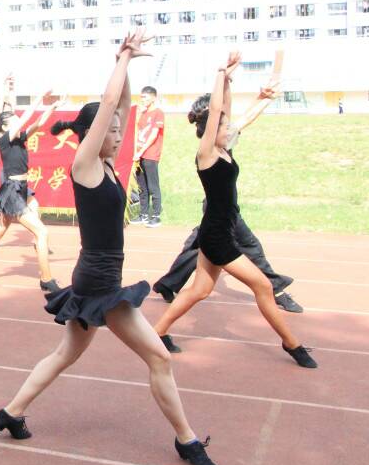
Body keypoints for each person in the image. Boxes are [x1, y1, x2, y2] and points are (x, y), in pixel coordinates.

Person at [0, 30, 219, 465]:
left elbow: (122, 105)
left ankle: (11, 412)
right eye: (110, 130)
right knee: (159, 357)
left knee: (65, 354)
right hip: (99, 282)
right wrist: (123, 59)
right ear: (93, 135)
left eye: (118, 130)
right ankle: (187, 440)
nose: (118, 134)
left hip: (94, 277)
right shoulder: (85, 164)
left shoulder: (110, 165)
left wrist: (126, 67)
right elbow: (111, 101)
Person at [151, 53, 315, 369]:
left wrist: (230, 81)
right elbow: (217, 110)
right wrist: (219, 72)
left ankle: (158, 332)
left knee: (200, 290)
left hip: (220, 228)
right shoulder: (207, 153)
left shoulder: (225, 149)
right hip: (216, 235)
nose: (230, 127)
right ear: (212, 129)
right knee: (263, 286)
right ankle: (292, 344)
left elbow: (227, 110)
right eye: (224, 126)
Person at [152, 81, 302, 313]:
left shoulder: (225, 141)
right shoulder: (209, 149)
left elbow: (244, 118)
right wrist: (225, 78)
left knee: (198, 247)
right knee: (249, 245)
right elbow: (231, 114)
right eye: (219, 116)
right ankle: (276, 289)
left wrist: (263, 99)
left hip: (220, 209)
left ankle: (168, 283)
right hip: (219, 210)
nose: (225, 120)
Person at [0, 82, 61, 289]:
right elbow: (27, 118)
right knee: (42, 232)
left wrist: (52, 107)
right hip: (12, 192)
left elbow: (38, 123)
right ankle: (46, 279)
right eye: (14, 121)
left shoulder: (19, 139)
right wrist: (39, 96)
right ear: (5, 128)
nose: (19, 121)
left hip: (21, 189)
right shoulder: (5, 140)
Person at [130, 85, 164, 227]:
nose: (142, 99)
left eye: (145, 97)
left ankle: (156, 215)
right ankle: (143, 214)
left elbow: (153, 134)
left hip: (150, 154)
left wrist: (141, 151)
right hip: (138, 156)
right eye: (141, 97)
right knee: (141, 187)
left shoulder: (158, 113)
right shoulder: (143, 114)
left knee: (152, 186)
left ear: (153, 98)